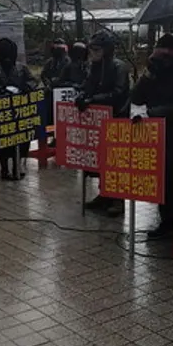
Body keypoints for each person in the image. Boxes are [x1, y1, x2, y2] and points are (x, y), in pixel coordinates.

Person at [131, 34, 173, 239]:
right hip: (154, 136)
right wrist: (146, 77)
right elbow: (135, 96)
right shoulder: (152, 73)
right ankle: (166, 223)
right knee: (161, 182)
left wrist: (152, 112)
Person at [76, 31, 131, 215]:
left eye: (97, 49)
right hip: (99, 120)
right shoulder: (95, 66)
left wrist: (94, 100)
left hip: (118, 118)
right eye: (92, 49)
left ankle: (118, 200)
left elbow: (118, 93)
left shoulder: (119, 67)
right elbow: (88, 84)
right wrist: (82, 95)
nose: (93, 53)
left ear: (107, 50)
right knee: (101, 160)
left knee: (117, 162)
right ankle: (104, 194)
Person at [0, 38, 38, 180]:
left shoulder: (21, 68)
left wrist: (25, 88)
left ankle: (17, 166)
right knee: (3, 142)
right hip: (2, 112)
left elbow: (33, 81)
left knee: (22, 140)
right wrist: (2, 89)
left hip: (19, 110)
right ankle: (4, 168)